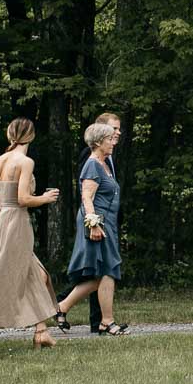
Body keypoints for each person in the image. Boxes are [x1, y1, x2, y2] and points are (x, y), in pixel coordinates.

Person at [0, 118, 62, 354]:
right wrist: (45, 199)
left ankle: (41, 331)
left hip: (3, 220)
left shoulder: (0, 160)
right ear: (31, 136)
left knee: (36, 274)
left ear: (10, 135)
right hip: (17, 222)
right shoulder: (25, 161)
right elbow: (23, 199)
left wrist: (6, 201)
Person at [55, 117, 127, 334]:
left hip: (108, 222)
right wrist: (93, 224)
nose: (113, 142)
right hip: (97, 221)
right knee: (107, 270)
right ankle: (107, 321)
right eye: (109, 139)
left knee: (102, 273)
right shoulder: (92, 165)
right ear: (97, 142)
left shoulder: (104, 164)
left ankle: (63, 307)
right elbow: (87, 198)